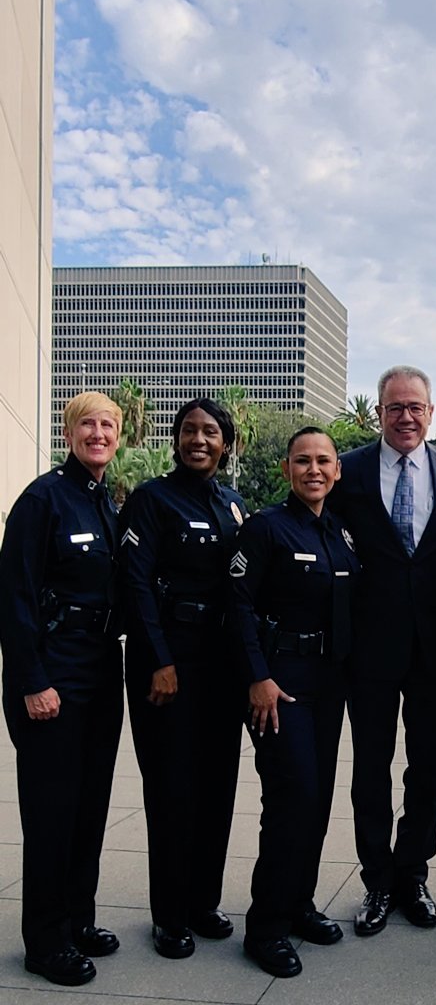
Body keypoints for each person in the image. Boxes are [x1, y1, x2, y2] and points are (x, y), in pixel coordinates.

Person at [327, 365, 436, 936]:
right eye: (395, 408)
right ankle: (376, 879)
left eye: (416, 407)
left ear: (431, 412)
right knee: (370, 767)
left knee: (429, 766)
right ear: (380, 413)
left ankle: (413, 872)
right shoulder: (350, 470)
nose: (406, 417)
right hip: (368, 649)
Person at [0, 393, 124, 987]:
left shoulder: (103, 503)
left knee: (90, 809)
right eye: (87, 424)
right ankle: (45, 942)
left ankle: (78, 919)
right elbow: (14, 597)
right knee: (52, 814)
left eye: (108, 424)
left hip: (100, 673)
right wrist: (32, 681)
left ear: (118, 437)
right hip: (53, 677)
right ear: (69, 432)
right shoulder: (43, 499)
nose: (97, 433)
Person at [119, 397, 248, 960]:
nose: (200, 439)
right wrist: (158, 659)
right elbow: (136, 583)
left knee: (218, 787)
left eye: (211, 432)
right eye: (189, 430)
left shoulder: (235, 504)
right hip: (169, 661)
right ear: (175, 441)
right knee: (173, 790)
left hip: (221, 663)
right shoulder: (151, 500)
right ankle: (169, 916)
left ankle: (203, 902)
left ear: (227, 443)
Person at [230, 427, 360, 978]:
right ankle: (266, 927)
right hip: (279, 685)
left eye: (323, 461)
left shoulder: (341, 534)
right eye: (302, 460)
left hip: (328, 683)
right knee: (292, 798)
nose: (313, 469)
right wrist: (257, 677)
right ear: (287, 469)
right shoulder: (265, 528)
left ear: (336, 471)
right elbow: (235, 605)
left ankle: (298, 903)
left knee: (317, 799)